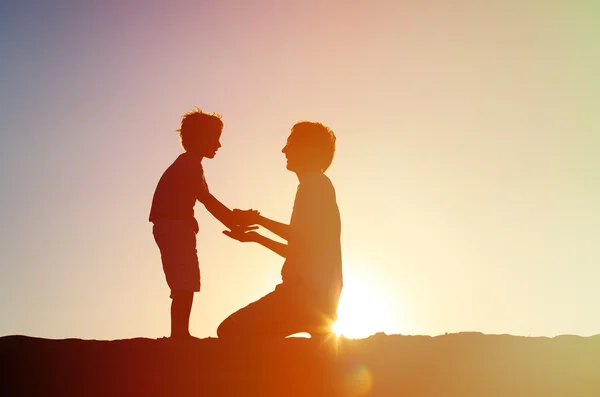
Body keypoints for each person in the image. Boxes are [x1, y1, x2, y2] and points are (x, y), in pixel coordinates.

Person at [218, 121, 342, 340]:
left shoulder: (314, 184)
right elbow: (299, 248)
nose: (284, 150)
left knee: (229, 331)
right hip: (315, 299)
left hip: (301, 297)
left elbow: (298, 239)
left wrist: (258, 220)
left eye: (291, 144)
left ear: (309, 149)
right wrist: (256, 235)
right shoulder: (316, 185)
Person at [149, 108, 256, 340]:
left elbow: (205, 197)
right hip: (175, 226)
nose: (218, 145)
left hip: (172, 226)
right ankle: (179, 335)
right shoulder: (189, 164)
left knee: (183, 281)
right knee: (185, 281)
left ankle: (179, 333)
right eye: (214, 139)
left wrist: (234, 219)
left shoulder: (189, 164)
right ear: (200, 138)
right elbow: (207, 199)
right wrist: (233, 219)